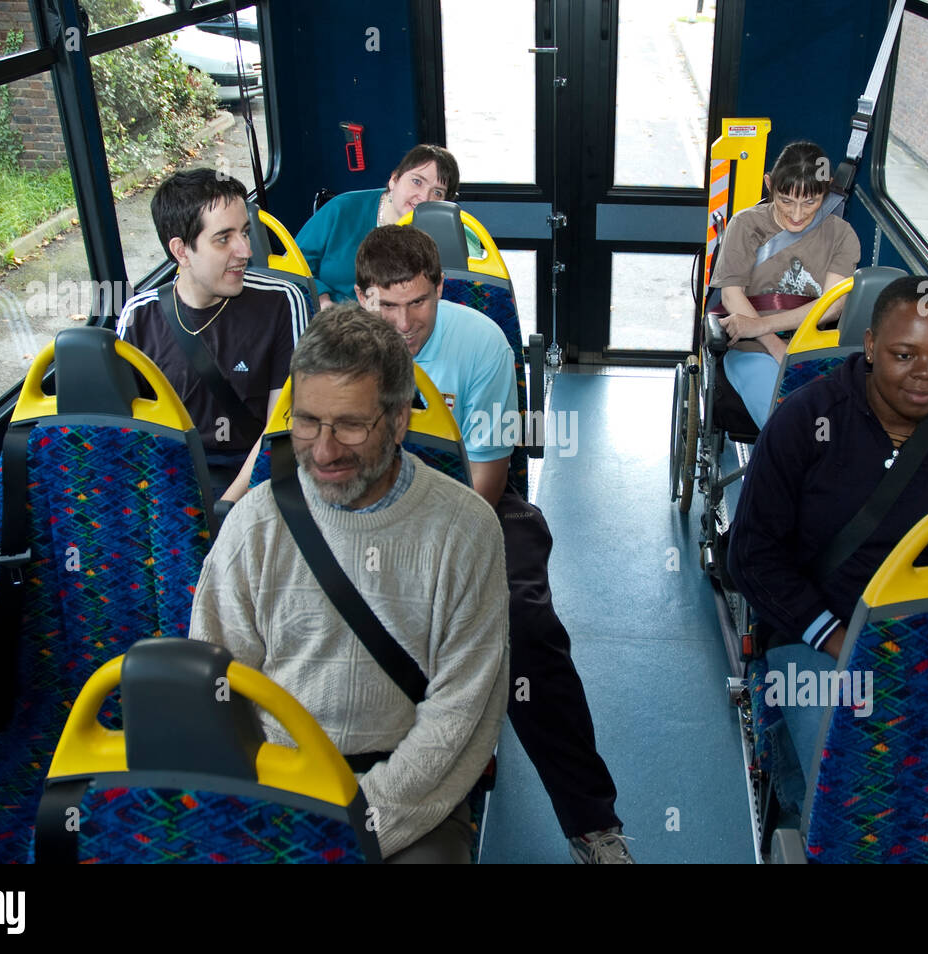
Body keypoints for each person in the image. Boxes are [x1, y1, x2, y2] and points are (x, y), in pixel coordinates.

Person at [188, 304, 510, 863]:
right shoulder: (254, 525)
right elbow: (215, 689)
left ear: (400, 421)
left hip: (409, 794)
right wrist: (269, 816)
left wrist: (354, 828)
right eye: (307, 421)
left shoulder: (467, 531)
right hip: (275, 790)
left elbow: (461, 715)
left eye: (351, 425)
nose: (325, 449)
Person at [354, 225, 634, 863]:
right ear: (360, 297)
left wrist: (423, 560)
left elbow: (485, 480)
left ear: (440, 289)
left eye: (418, 303)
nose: (404, 323)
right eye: (386, 305)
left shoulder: (480, 342)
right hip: (365, 513)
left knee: (526, 626)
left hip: (472, 508)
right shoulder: (338, 350)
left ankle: (591, 821)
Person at [726, 275, 928, 797]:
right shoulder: (806, 420)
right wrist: (842, 640)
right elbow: (751, 555)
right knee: (852, 788)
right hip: (816, 634)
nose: (925, 375)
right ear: (870, 346)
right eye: (904, 355)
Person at [116, 168, 311, 497]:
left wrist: (228, 504)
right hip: (172, 477)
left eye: (245, 233)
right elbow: (133, 434)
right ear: (181, 251)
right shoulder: (140, 316)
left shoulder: (281, 301)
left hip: (258, 473)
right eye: (224, 239)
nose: (246, 251)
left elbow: (282, 428)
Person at [708, 141, 861, 427]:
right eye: (786, 200)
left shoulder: (841, 235)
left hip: (813, 347)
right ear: (769, 184)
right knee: (787, 427)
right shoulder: (745, 225)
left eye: (810, 202)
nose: (797, 214)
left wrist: (766, 326)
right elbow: (731, 297)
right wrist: (777, 347)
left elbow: (832, 306)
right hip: (752, 350)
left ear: (825, 190)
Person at [294, 144, 460, 310]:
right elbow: (293, 265)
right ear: (394, 180)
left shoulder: (446, 233)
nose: (424, 197)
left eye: (437, 192)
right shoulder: (342, 209)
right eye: (417, 182)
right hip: (331, 318)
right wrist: (322, 300)